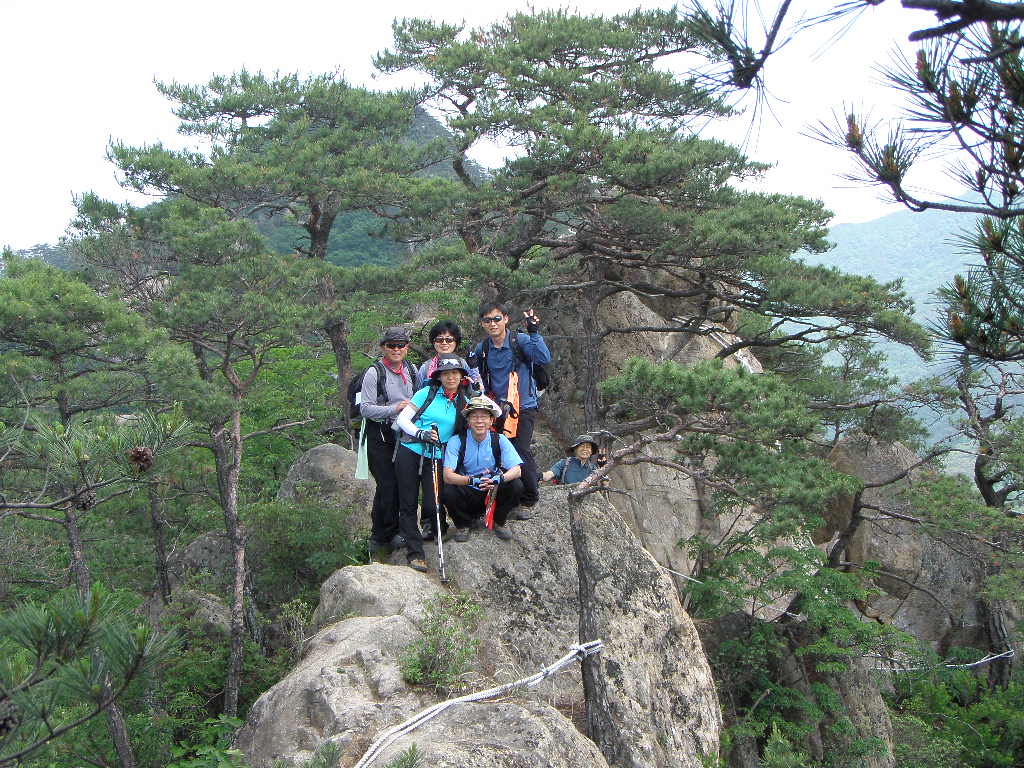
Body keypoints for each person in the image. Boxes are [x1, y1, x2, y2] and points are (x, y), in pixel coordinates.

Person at [468, 301, 550, 516]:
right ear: (482, 323)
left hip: (524, 407)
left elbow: (543, 358)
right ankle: (511, 498)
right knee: (502, 454)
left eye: (497, 319)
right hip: (498, 410)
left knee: (520, 449)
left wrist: (534, 333)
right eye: (487, 320)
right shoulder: (483, 348)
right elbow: (478, 378)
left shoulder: (519, 340)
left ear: (505, 319)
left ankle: (530, 498)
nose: (493, 323)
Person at [394, 354, 473, 571]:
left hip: (437, 455)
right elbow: (402, 420)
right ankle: (415, 552)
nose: (450, 377)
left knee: (432, 502)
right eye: (446, 374)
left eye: (455, 373)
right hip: (410, 451)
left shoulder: (464, 401)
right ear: (439, 376)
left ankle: (437, 531)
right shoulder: (425, 393)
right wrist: (420, 433)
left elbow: (479, 418)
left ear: (461, 376)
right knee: (408, 502)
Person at [359, 327, 420, 559]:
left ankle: (384, 533)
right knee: (387, 485)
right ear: (383, 347)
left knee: (402, 483)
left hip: (404, 434)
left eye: (401, 345)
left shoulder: (412, 371)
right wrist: (394, 408)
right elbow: (365, 408)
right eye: (391, 345)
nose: (396, 349)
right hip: (380, 435)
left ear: (407, 347)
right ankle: (385, 533)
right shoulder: (375, 373)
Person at [442, 396, 524, 542]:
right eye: (474, 417)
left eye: (484, 417)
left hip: (492, 490)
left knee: (516, 485)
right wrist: (471, 480)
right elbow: (447, 476)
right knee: (448, 490)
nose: (479, 421)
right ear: (468, 421)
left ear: (491, 420)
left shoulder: (499, 439)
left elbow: (517, 470)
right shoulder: (457, 441)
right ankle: (463, 524)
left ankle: (499, 521)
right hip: (468, 489)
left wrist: (498, 478)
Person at [417, 321, 481, 391]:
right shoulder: (426, 367)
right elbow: (417, 392)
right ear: (433, 342)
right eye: (439, 340)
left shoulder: (463, 364)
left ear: (456, 342)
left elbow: (476, 388)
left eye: (449, 340)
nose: (444, 343)